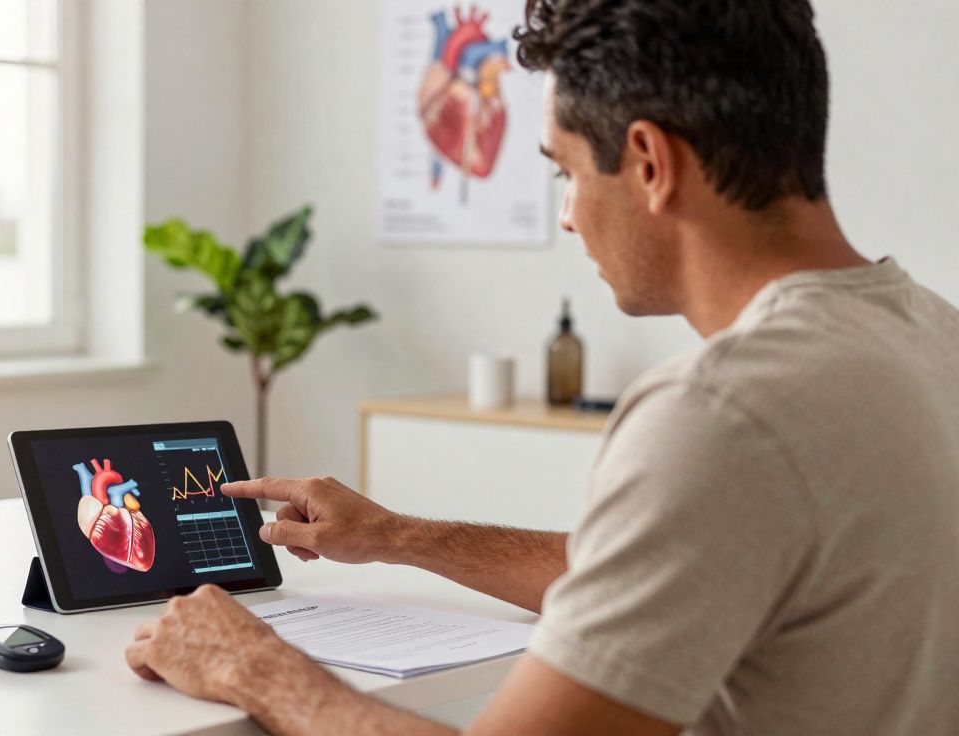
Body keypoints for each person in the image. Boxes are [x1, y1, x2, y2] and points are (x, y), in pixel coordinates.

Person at [125, 1, 959, 734]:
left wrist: (251, 668)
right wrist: (395, 537)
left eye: (564, 170)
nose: (567, 215)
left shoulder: (723, 411)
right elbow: (670, 561)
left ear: (649, 162)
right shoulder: (930, 336)